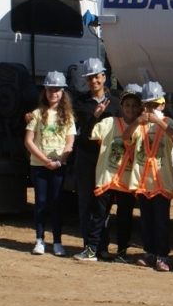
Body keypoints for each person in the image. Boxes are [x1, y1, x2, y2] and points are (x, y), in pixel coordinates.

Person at [79, 83, 142, 264]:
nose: (130, 108)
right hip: (107, 178)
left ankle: (122, 251)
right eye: (127, 105)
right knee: (99, 216)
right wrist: (95, 116)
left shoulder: (141, 128)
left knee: (124, 219)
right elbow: (88, 136)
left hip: (127, 181)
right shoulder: (109, 123)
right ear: (121, 107)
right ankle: (92, 249)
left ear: (139, 108)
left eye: (134, 105)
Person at [126, 81, 173, 271]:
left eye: (155, 105)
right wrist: (135, 123)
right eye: (147, 105)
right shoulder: (140, 123)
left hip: (162, 180)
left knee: (161, 220)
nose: (151, 109)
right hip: (143, 180)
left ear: (162, 105)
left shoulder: (167, 121)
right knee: (146, 220)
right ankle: (149, 252)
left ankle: (162, 255)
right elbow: (126, 138)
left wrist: (158, 122)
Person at [24, 71, 77, 256]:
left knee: (56, 203)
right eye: (50, 89)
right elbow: (29, 141)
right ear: (45, 91)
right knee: (41, 202)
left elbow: (70, 141)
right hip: (39, 166)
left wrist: (61, 160)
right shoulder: (37, 114)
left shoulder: (68, 116)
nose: (53, 93)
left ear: (63, 92)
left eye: (57, 90)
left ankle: (57, 241)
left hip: (58, 166)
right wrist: (45, 160)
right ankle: (39, 240)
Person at [71, 58, 116, 262]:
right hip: (87, 158)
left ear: (104, 77)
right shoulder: (80, 103)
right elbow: (78, 134)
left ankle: (101, 247)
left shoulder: (115, 103)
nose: (93, 81)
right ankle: (88, 246)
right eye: (90, 78)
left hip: (108, 160)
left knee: (103, 206)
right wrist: (94, 117)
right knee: (86, 203)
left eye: (96, 77)